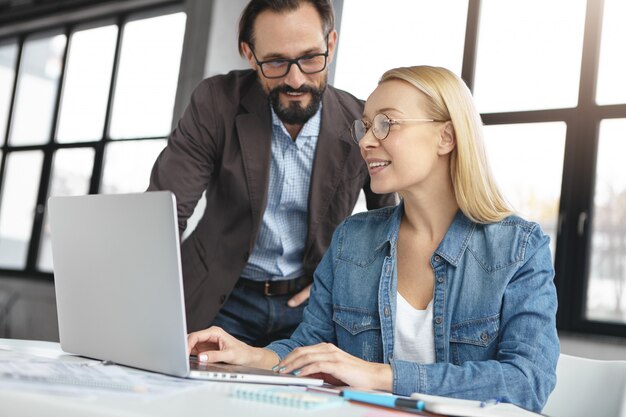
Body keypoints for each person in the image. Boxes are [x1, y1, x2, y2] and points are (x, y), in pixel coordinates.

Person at [186, 65, 560, 412]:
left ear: (446, 136)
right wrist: (248, 355)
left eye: (386, 124)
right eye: (365, 126)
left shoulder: (519, 248)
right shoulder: (352, 239)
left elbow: (528, 383)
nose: (365, 141)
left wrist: (380, 375)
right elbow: (308, 348)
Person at [147, 0, 396, 344]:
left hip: (312, 305)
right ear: (250, 55)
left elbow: (391, 224)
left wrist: (342, 279)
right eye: (276, 62)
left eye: (310, 58)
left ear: (332, 44)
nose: (296, 80)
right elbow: (163, 212)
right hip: (220, 294)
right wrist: (143, 300)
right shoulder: (216, 101)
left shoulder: (359, 122)